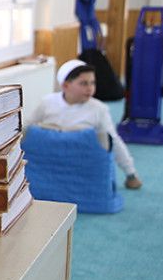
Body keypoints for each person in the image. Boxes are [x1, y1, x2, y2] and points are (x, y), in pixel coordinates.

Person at [30, 59, 142, 189]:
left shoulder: (98, 109)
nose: (90, 88)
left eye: (92, 83)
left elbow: (114, 141)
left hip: (82, 162)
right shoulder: (47, 103)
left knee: (104, 138)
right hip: (52, 160)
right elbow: (26, 130)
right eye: (83, 83)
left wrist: (131, 173)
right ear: (65, 86)